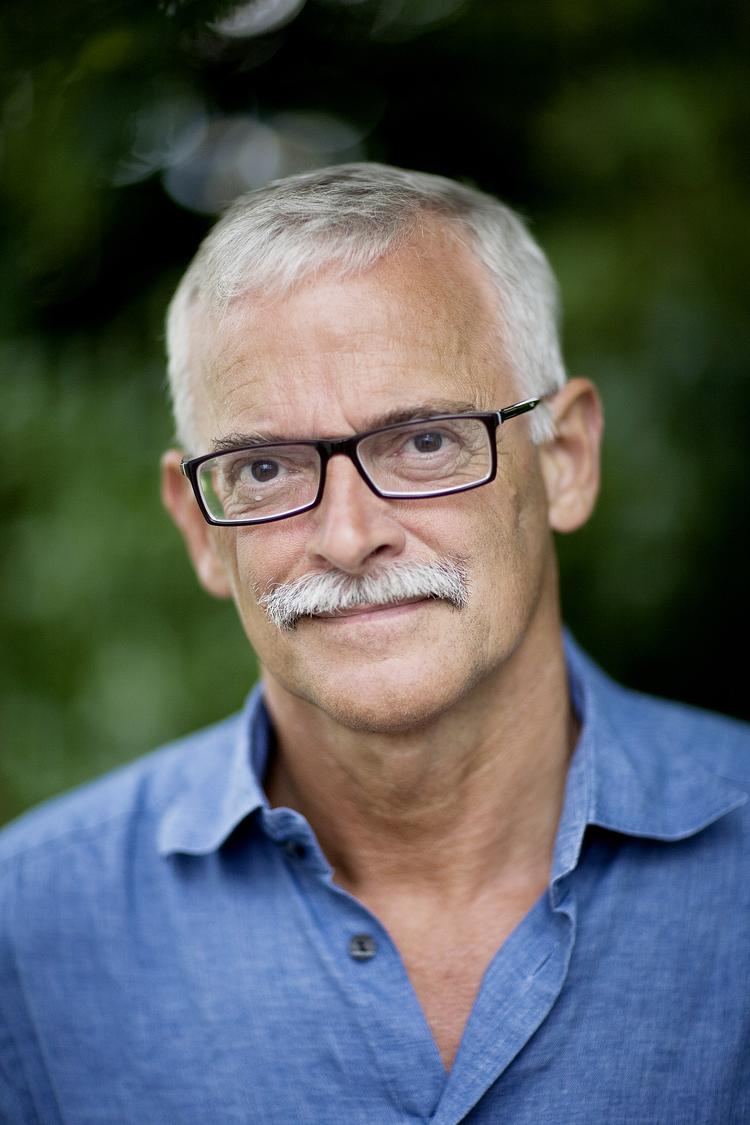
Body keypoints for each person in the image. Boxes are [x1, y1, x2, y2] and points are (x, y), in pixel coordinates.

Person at [1, 164, 748, 1125]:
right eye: (264, 466)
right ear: (200, 527)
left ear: (564, 460)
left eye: (426, 442)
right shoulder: (28, 935)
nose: (351, 537)